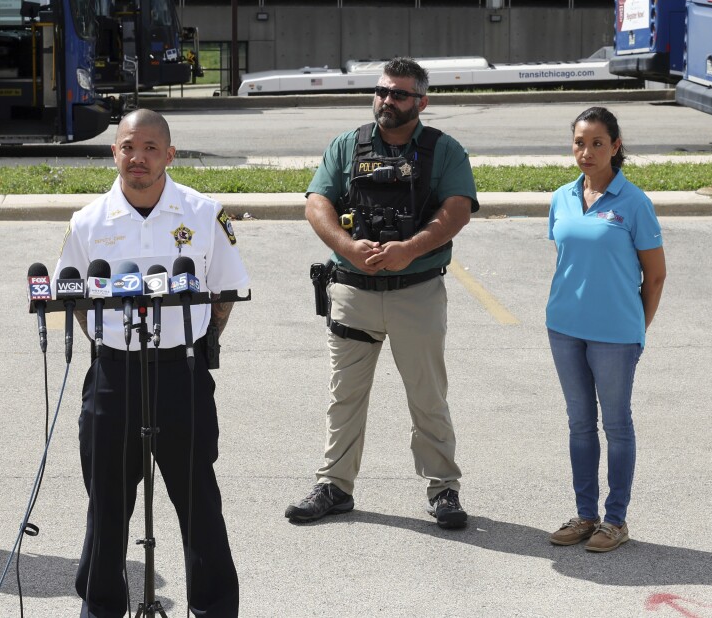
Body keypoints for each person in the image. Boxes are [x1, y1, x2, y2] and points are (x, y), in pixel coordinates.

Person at [57, 109, 246, 618]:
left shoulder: (204, 214)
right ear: (114, 152)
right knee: (108, 505)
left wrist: (197, 346)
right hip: (113, 375)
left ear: (169, 154)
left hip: (179, 373)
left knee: (197, 499)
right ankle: (101, 607)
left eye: (149, 148)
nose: (137, 158)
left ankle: (212, 609)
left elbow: (225, 293)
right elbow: (73, 296)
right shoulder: (89, 221)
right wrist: (106, 343)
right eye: (127, 147)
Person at [286, 57, 478, 529]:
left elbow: (456, 210)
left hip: (417, 291)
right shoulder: (347, 145)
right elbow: (317, 204)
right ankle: (334, 486)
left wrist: (410, 249)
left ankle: (443, 489)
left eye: (399, 94)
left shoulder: (443, 150)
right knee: (344, 395)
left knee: (427, 395)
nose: (387, 100)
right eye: (381, 91)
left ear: (422, 102)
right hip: (354, 289)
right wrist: (349, 248)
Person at [544, 106, 666, 553]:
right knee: (579, 424)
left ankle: (615, 521)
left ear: (616, 146)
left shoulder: (634, 203)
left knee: (616, 424)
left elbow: (655, 276)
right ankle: (584, 516)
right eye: (580, 142)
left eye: (597, 143)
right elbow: (566, 261)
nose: (587, 151)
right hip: (564, 329)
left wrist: (636, 327)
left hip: (615, 335)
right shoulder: (561, 198)